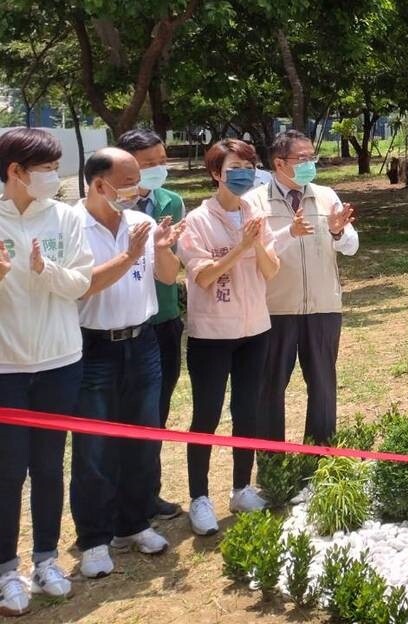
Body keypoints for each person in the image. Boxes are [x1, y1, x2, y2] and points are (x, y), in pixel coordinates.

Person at [69, 148, 182, 579]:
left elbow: (168, 277)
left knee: (144, 438)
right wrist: (130, 257)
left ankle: (134, 523)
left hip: (143, 342)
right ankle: (94, 539)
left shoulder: (142, 223)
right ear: (99, 185)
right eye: (129, 180)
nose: (139, 188)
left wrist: (163, 250)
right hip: (93, 347)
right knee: (95, 448)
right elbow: (81, 289)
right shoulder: (70, 226)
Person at [0, 129, 93, 616]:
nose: (54, 177)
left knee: (49, 467)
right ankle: (5, 571)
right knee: (8, 471)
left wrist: (46, 271)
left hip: (60, 361)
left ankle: (45, 560)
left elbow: (81, 281)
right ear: (16, 172)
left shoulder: (65, 217)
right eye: (45, 169)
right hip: (6, 368)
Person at [177, 139, 280, 537]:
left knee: (247, 411)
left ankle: (241, 488)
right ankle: (200, 498)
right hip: (212, 333)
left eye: (250, 166)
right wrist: (242, 247)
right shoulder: (196, 221)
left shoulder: (256, 213)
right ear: (217, 173)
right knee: (206, 414)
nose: (245, 173)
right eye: (236, 166)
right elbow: (202, 276)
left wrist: (258, 246)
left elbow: (270, 271)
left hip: (255, 328)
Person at [251, 130, 357, 446]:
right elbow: (251, 253)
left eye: (313, 157)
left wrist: (338, 232)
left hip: (323, 308)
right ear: (279, 162)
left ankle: (320, 463)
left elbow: (351, 246)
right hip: (274, 310)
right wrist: (288, 232)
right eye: (303, 158)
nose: (310, 163)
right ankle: (274, 470)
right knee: (269, 390)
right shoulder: (254, 202)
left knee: (323, 387)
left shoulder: (327, 197)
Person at [116, 128, 185, 522]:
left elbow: (170, 268)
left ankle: (147, 494)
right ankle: (115, 502)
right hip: (120, 324)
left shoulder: (170, 201)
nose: (160, 169)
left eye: (162, 161)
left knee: (155, 413)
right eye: (149, 164)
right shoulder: (104, 208)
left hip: (163, 319)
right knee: (120, 416)